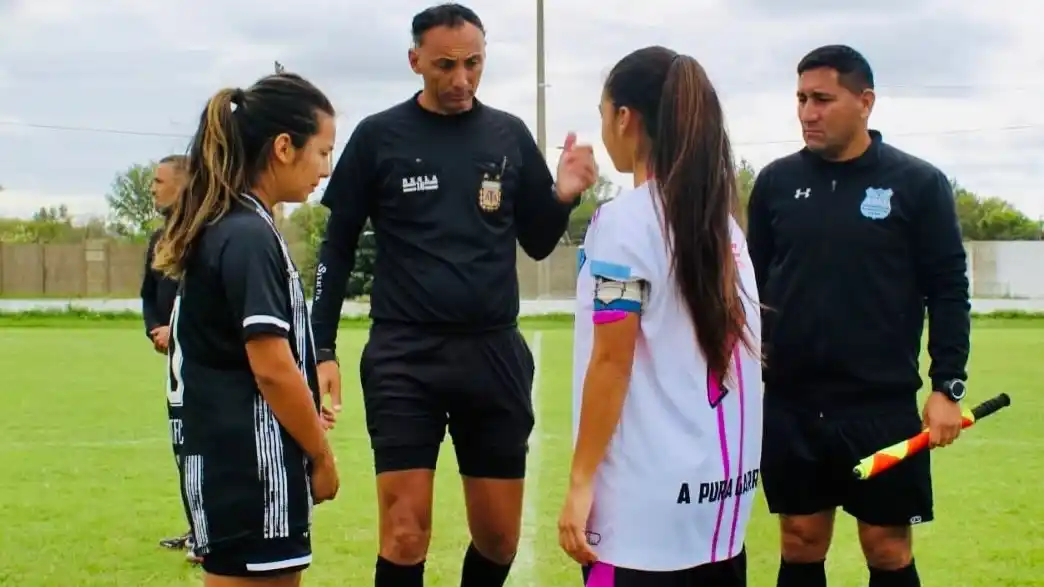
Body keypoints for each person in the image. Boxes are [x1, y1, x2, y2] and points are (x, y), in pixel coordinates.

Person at [309, 4, 597, 586]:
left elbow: (538, 241)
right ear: (415, 60)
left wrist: (564, 195)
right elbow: (335, 249)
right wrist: (323, 347)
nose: (462, 78)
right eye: (445, 65)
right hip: (404, 356)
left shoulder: (508, 135)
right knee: (405, 534)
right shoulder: (378, 137)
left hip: (493, 354)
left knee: (499, 539)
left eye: (474, 64)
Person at [746, 45, 970, 587]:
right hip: (793, 403)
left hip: (880, 404)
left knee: (887, 548)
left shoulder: (918, 184)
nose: (807, 112)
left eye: (822, 99)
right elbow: (749, 287)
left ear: (865, 102)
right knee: (800, 540)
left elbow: (948, 290)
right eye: (801, 99)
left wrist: (948, 386)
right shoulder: (776, 183)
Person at [558, 46, 763, 587]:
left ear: (625, 118)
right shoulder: (723, 225)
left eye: (604, 114)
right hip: (720, 507)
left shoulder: (623, 224)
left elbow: (611, 360)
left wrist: (580, 483)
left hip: (641, 516)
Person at [151, 72, 341, 586]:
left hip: (230, 466)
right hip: (252, 473)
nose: (326, 169)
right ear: (283, 147)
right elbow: (271, 369)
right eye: (322, 152)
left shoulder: (233, 225)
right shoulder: (248, 234)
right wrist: (320, 455)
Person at [140, 153, 199, 561]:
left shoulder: (204, 237)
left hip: (203, 361)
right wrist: (154, 329)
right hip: (175, 363)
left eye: (159, 182)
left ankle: (208, 533)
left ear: (183, 185)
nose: (153, 189)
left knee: (201, 446)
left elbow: (202, 299)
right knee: (183, 447)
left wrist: (176, 330)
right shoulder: (159, 240)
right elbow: (149, 294)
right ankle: (197, 527)